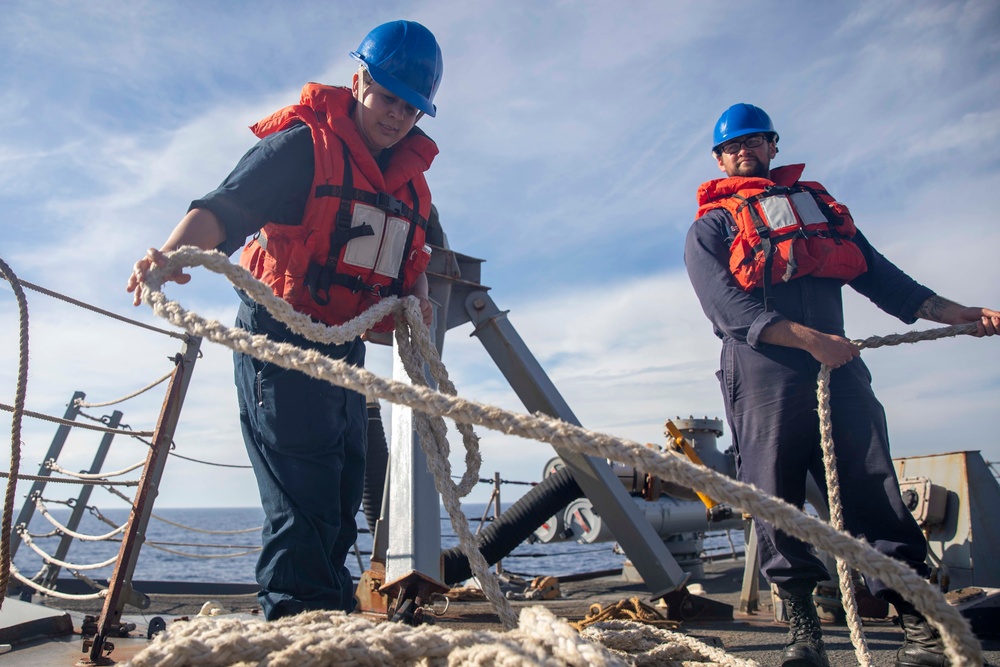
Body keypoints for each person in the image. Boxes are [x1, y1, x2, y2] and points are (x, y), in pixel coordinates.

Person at [126, 20, 442, 620]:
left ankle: (327, 619)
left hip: (346, 356)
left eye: (411, 107)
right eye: (388, 98)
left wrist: (419, 302)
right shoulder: (303, 147)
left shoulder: (411, 184)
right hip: (279, 344)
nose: (398, 116)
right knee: (304, 496)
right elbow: (227, 206)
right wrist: (168, 257)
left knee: (344, 487)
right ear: (359, 82)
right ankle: (300, 626)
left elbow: (416, 255)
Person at [684, 103, 999, 667]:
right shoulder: (711, 227)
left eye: (756, 140)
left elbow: (883, 279)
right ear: (718, 158)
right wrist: (808, 339)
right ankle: (805, 636)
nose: (745, 150)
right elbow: (726, 309)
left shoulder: (822, 213)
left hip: (838, 367)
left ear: (774, 147)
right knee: (772, 499)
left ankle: (921, 630)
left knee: (874, 488)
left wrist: (958, 313)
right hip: (761, 373)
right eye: (733, 146)